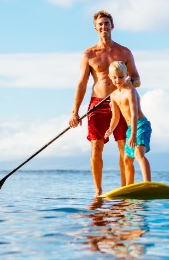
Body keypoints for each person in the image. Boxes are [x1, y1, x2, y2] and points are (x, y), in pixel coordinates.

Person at [69, 10, 140, 197]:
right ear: (95, 28)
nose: (103, 27)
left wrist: (127, 83)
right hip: (97, 105)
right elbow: (82, 84)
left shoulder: (124, 52)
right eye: (100, 24)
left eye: (106, 23)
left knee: (124, 147)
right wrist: (74, 112)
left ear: (112, 26)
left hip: (120, 103)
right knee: (96, 147)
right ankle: (98, 191)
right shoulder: (89, 55)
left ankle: (125, 189)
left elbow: (137, 78)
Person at [105, 61, 152, 185]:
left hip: (140, 125)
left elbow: (134, 113)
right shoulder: (113, 95)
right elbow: (115, 117)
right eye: (114, 77)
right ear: (110, 77)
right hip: (131, 128)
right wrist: (110, 129)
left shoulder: (130, 91)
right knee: (126, 159)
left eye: (121, 77)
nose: (117, 80)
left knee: (138, 153)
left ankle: (147, 183)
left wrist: (133, 135)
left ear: (126, 75)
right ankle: (129, 187)